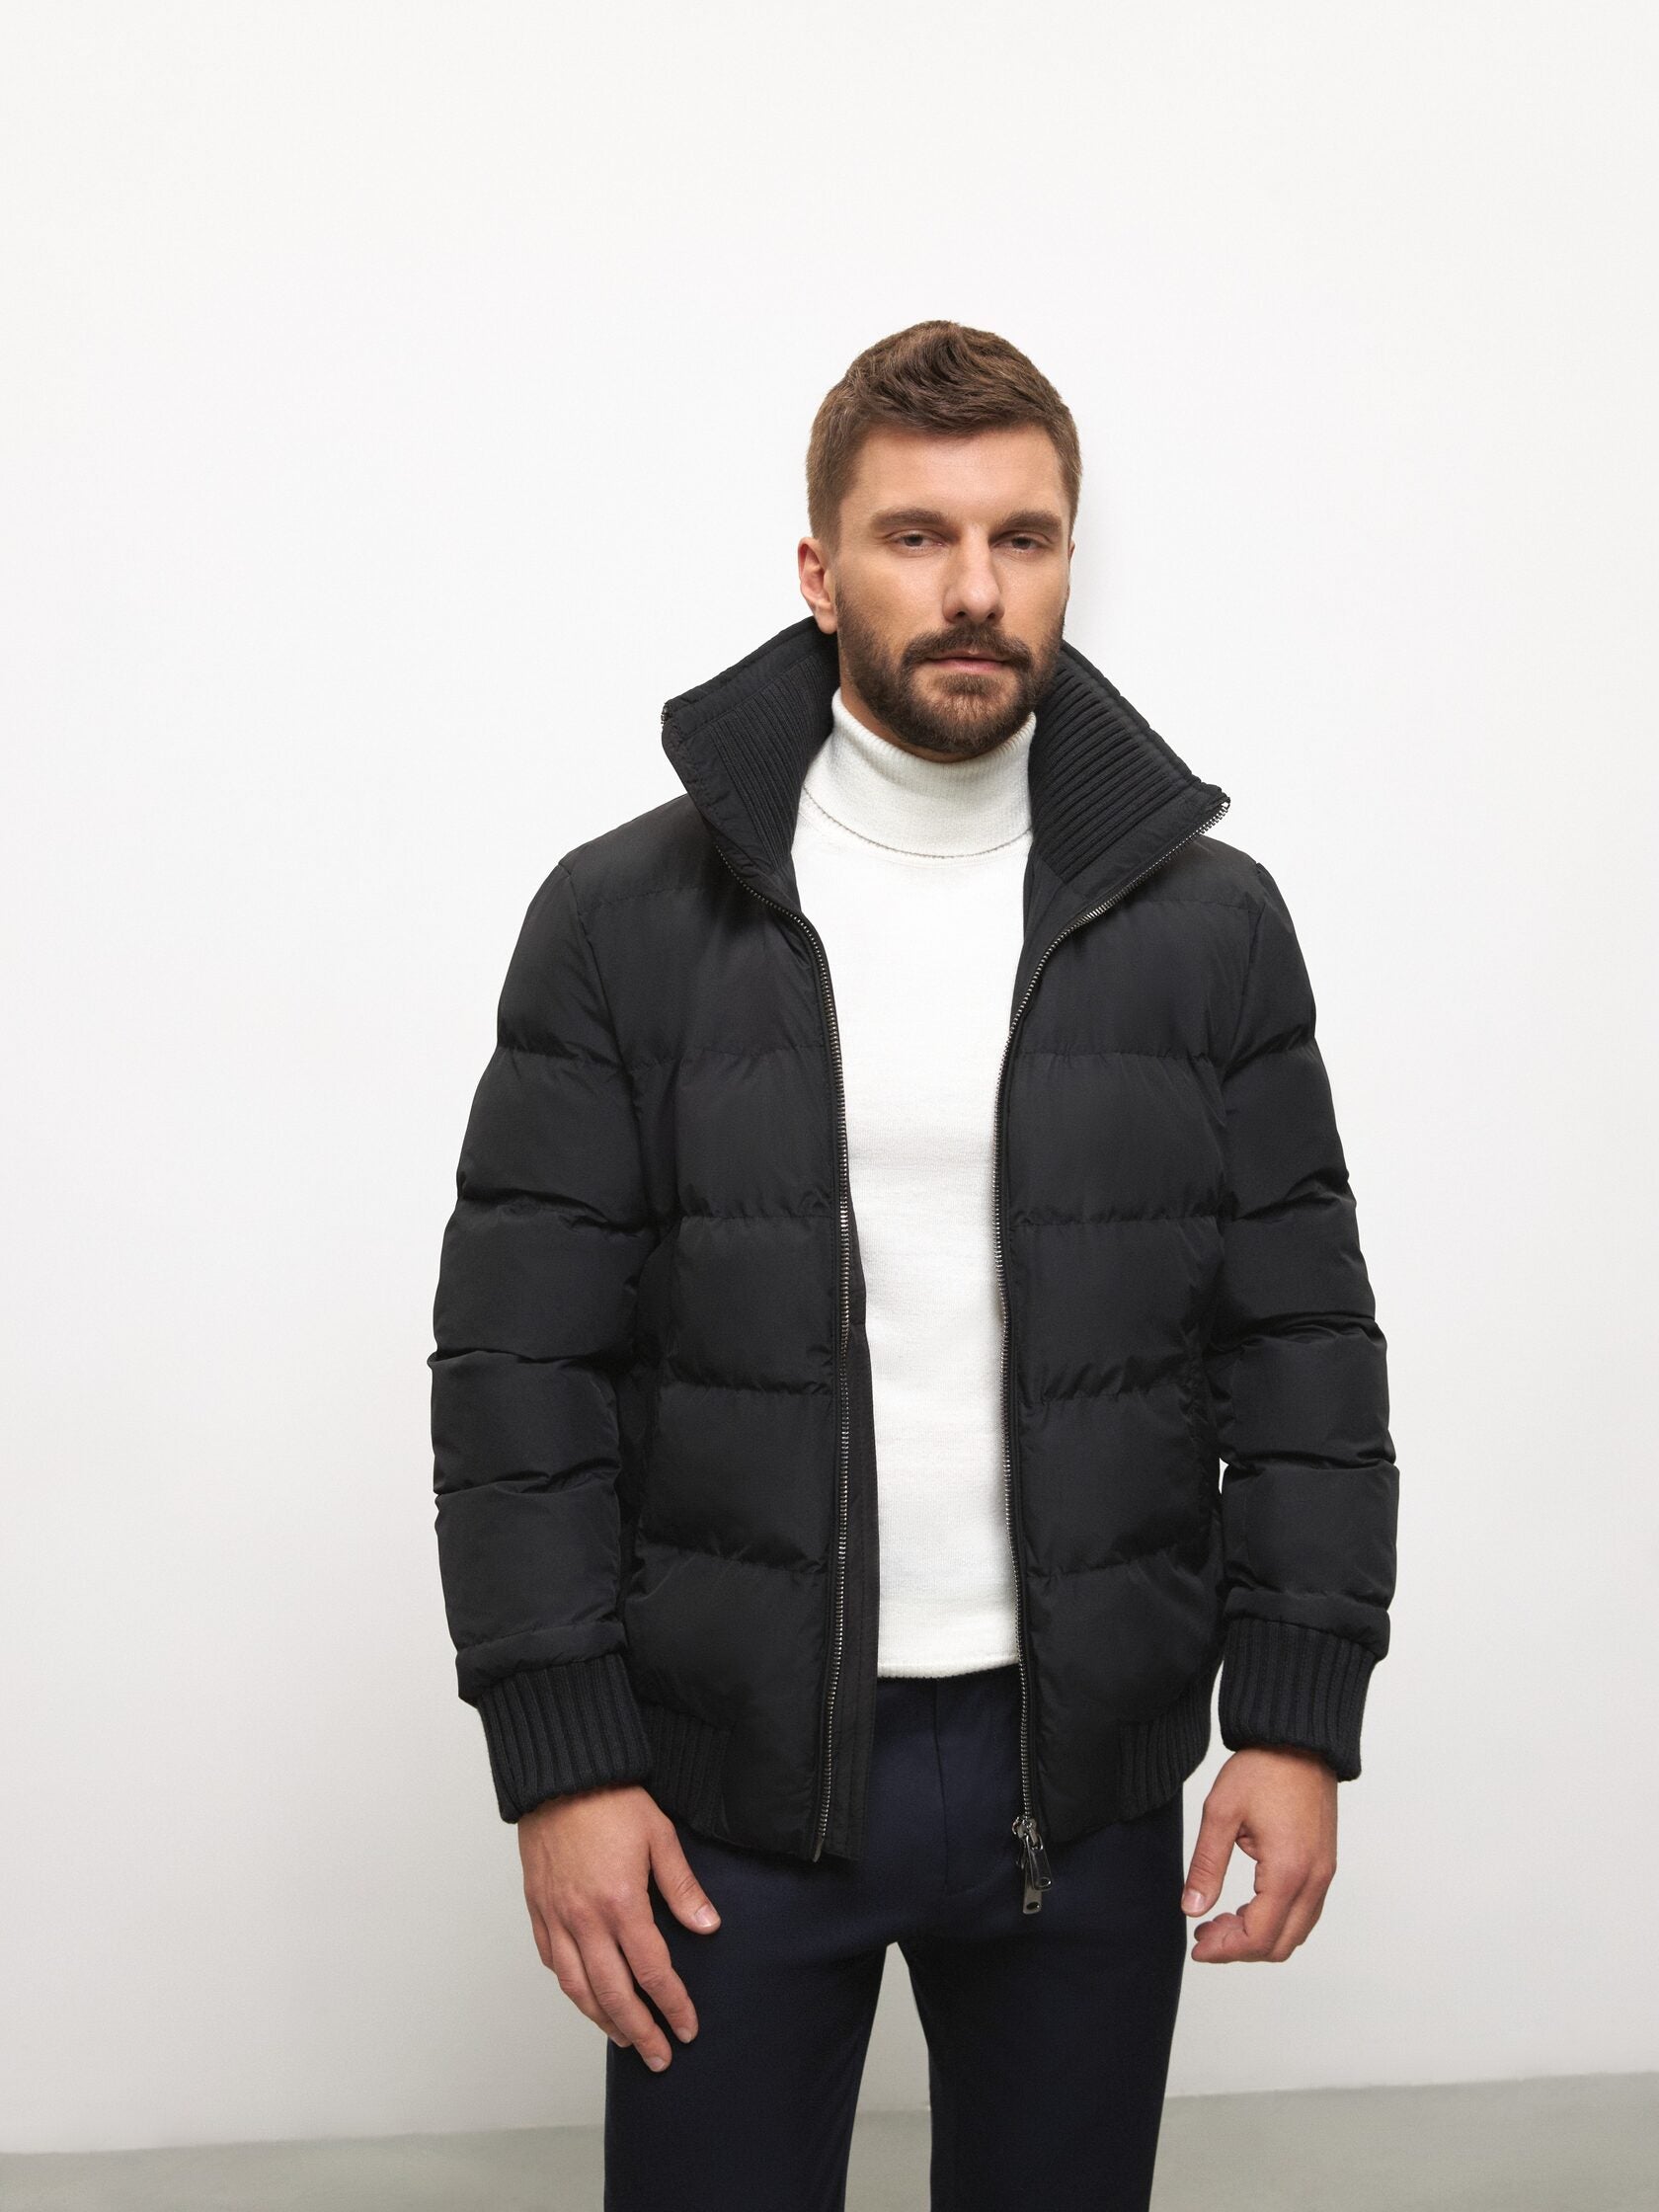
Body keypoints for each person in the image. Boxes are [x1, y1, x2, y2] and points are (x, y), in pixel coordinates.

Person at [428, 318, 1398, 2211]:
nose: (974, 589)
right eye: (916, 536)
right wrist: (563, 1762)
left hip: (1082, 1778)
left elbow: (1300, 1339)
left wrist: (1296, 1717)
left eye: (1021, 538)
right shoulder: (626, 920)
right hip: (727, 1781)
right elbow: (519, 1373)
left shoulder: (1207, 925)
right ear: (820, 571)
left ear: (1067, 560)